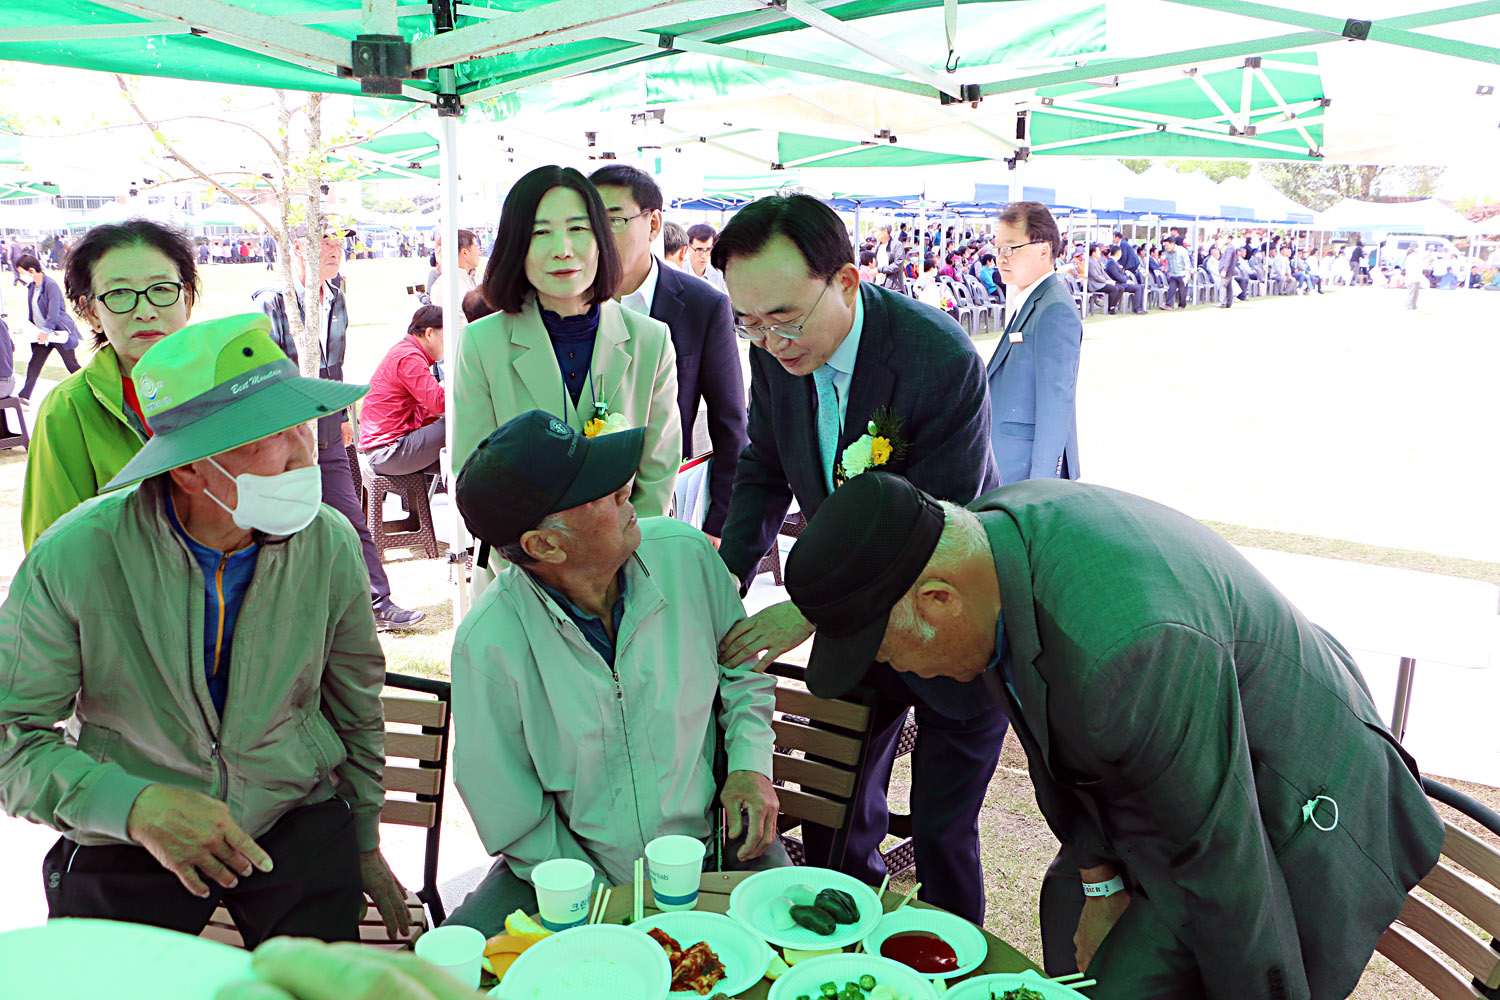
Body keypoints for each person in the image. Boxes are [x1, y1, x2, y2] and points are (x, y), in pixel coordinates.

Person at [784, 472, 1446, 1000]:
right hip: (1172, 778)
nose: (899, 670)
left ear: (936, 599)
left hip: (1291, 798)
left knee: (1127, 980)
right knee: (1066, 901)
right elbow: (1050, 739)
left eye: (889, 651)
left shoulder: (1128, 647)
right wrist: (1100, 884)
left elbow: (1226, 869)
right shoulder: (984, 549)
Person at [0, 312, 410, 947]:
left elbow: (355, 699)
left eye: (300, 423)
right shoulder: (77, 556)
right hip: (128, 829)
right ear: (188, 470)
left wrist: (362, 841)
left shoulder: (327, 542)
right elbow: (12, 741)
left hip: (292, 814)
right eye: (262, 437)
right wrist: (134, 807)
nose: (302, 453)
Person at [709, 194, 1006, 925]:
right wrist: (721, 584)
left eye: (784, 317)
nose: (770, 341)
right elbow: (765, 468)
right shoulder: (775, 352)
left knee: (942, 831)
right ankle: (838, 946)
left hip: (946, 620)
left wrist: (807, 610)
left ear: (844, 281)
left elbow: (928, 525)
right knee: (835, 813)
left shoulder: (937, 359)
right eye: (748, 322)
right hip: (856, 638)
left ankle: (949, 967)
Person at [442, 411, 784, 935]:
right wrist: (603, 902)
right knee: (455, 972)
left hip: (715, 839)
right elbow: (511, 810)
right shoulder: (489, 642)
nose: (627, 489)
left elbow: (743, 670)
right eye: (601, 491)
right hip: (562, 869)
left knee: (796, 949)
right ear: (543, 546)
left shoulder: (686, 555)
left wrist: (751, 763)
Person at [452, 164, 680, 579]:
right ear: (517, 244)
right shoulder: (482, 343)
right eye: (541, 233)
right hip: (521, 575)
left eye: (578, 229)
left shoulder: (651, 340)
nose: (562, 249)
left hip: (625, 574)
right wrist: (544, 563)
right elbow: (473, 477)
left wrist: (613, 564)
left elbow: (658, 472)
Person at [253, 224, 425, 630]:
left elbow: (335, 366)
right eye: (324, 241)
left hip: (327, 427)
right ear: (297, 247)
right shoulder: (273, 301)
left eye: (337, 242)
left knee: (350, 519)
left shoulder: (336, 296)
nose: (335, 250)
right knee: (284, 525)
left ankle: (378, 603)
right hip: (285, 431)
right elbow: (269, 372)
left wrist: (344, 416)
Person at [590, 165, 748, 544]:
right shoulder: (571, 302)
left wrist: (718, 524)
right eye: (590, 221)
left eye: (614, 220)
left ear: (654, 223)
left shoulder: (703, 305)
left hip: (667, 500)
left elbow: (731, 424)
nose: (599, 236)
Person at [22, 220, 202, 549]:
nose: (145, 311)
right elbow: (53, 553)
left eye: (161, 289)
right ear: (90, 312)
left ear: (186, 298)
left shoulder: (235, 387)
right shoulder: (69, 409)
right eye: (119, 293)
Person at [985, 201, 1082, 490]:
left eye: (1010, 248)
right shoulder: (1032, 300)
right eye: (998, 248)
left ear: (1043, 249)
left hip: (1026, 471)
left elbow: (1056, 404)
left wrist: (1041, 485)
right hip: (1009, 464)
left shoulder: (1054, 309)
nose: (1001, 258)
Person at [358, 304, 445, 477]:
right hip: (387, 452)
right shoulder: (409, 357)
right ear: (429, 333)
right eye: (446, 335)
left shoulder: (405, 351)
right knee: (461, 426)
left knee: (464, 455)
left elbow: (428, 412)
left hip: (386, 449)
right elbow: (439, 404)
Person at [13, 253, 82, 403]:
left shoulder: (50, 285)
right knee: (34, 364)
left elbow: (54, 312)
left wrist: (46, 330)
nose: (20, 276)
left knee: (72, 365)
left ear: (31, 270)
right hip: (41, 335)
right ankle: (24, 397)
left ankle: (92, 388)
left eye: (21, 272)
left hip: (58, 332)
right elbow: (34, 311)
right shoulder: (31, 287)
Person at [426, 229, 481, 309]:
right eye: (476, 248)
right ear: (465, 252)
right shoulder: (445, 286)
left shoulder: (476, 278)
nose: (479, 253)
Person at [685, 222, 729, 294]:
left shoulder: (719, 274)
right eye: (699, 250)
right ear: (688, 247)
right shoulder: (679, 272)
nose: (704, 256)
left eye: (708, 249)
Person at [1101, 247, 1145, 314]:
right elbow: (1116, 275)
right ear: (1118, 252)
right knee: (1138, 288)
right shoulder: (1111, 262)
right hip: (1118, 283)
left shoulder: (1115, 262)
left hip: (1122, 282)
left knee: (1141, 287)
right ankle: (1137, 308)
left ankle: (1140, 307)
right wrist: (1127, 281)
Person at [1084, 245, 1124, 315]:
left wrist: (1110, 280)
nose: (1100, 252)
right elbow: (1095, 276)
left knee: (1120, 288)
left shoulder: (1096, 261)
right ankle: (1109, 308)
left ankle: (1113, 306)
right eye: (1098, 251)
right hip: (1095, 284)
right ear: (1093, 253)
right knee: (1114, 289)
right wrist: (1107, 281)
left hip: (1101, 283)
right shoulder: (1090, 262)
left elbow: (1104, 273)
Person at [1404, 245, 1425, 311]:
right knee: (1412, 293)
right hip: (1412, 278)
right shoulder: (1412, 257)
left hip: (1416, 278)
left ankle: (1413, 305)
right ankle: (1409, 305)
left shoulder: (1413, 257)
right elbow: (1417, 267)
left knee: (1416, 293)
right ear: (1414, 250)